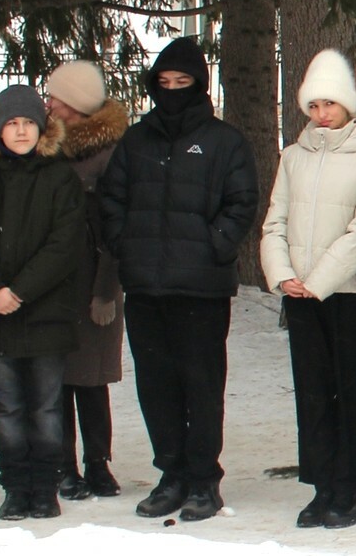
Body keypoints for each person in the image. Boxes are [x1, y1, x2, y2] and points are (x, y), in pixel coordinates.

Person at [96, 36, 259, 523]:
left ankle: (204, 479)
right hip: (146, 286)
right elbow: (111, 200)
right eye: (163, 83)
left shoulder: (224, 141)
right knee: (156, 387)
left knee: (201, 386)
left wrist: (214, 244)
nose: (171, 91)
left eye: (181, 82)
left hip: (201, 289)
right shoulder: (136, 140)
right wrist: (126, 244)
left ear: (199, 85)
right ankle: (171, 474)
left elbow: (242, 202)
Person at [261, 50, 356, 529]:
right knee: (313, 392)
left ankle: (349, 488)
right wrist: (283, 275)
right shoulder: (294, 157)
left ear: (347, 104)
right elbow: (275, 219)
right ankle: (321, 483)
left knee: (351, 391)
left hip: (344, 293)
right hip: (299, 294)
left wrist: (318, 282)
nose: (321, 114)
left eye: (329, 103)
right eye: (313, 105)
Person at [0, 86, 90, 520]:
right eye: (11, 123)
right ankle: (15, 486)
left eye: (28, 122)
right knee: (6, 407)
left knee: (47, 406)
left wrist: (20, 290)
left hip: (47, 312)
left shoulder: (60, 178)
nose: (20, 131)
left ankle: (45, 486)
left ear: (42, 128)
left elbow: (65, 244)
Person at [42, 61, 128, 497]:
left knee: (92, 381)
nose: (49, 104)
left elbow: (117, 225)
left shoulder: (111, 153)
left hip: (95, 280)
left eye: (55, 98)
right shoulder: (45, 145)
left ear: (75, 104)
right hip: (55, 283)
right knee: (56, 380)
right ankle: (63, 465)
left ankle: (98, 463)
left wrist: (106, 290)